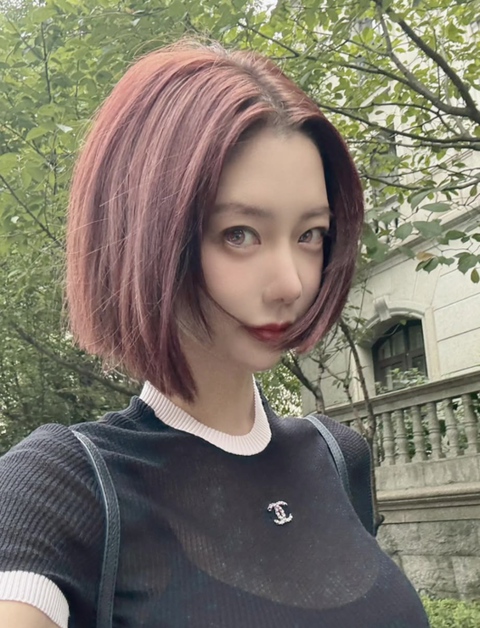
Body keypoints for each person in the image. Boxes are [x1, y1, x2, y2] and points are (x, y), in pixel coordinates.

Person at [0, 38, 430, 627]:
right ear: (146, 234)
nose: (290, 283)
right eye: (239, 234)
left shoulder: (338, 455)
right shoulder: (62, 484)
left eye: (310, 234)